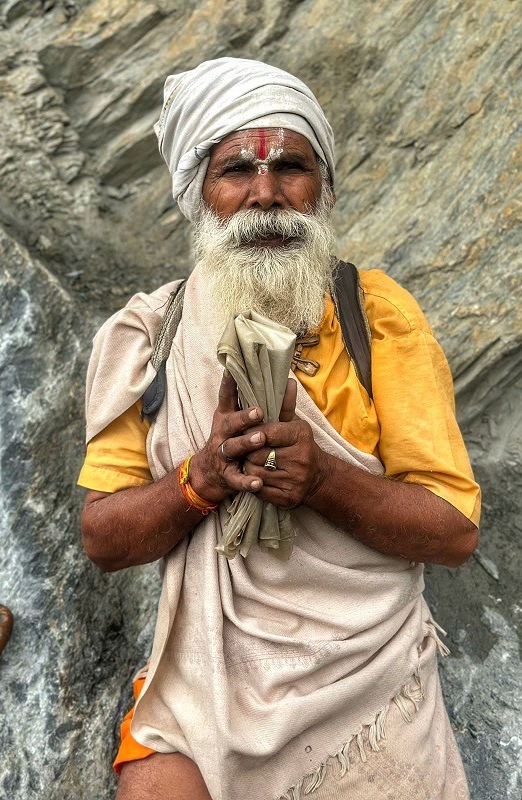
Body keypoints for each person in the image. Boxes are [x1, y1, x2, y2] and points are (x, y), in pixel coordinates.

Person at [78, 58, 480, 800]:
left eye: (290, 167)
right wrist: (196, 483)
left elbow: (451, 532)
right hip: (201, 682)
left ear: (322, 189)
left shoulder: (377, 315)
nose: (265, 196)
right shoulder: (147, 337)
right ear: (199, 194)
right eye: (235, 170)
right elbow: (103, 537)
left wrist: (323, 481)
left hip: (367, 684)